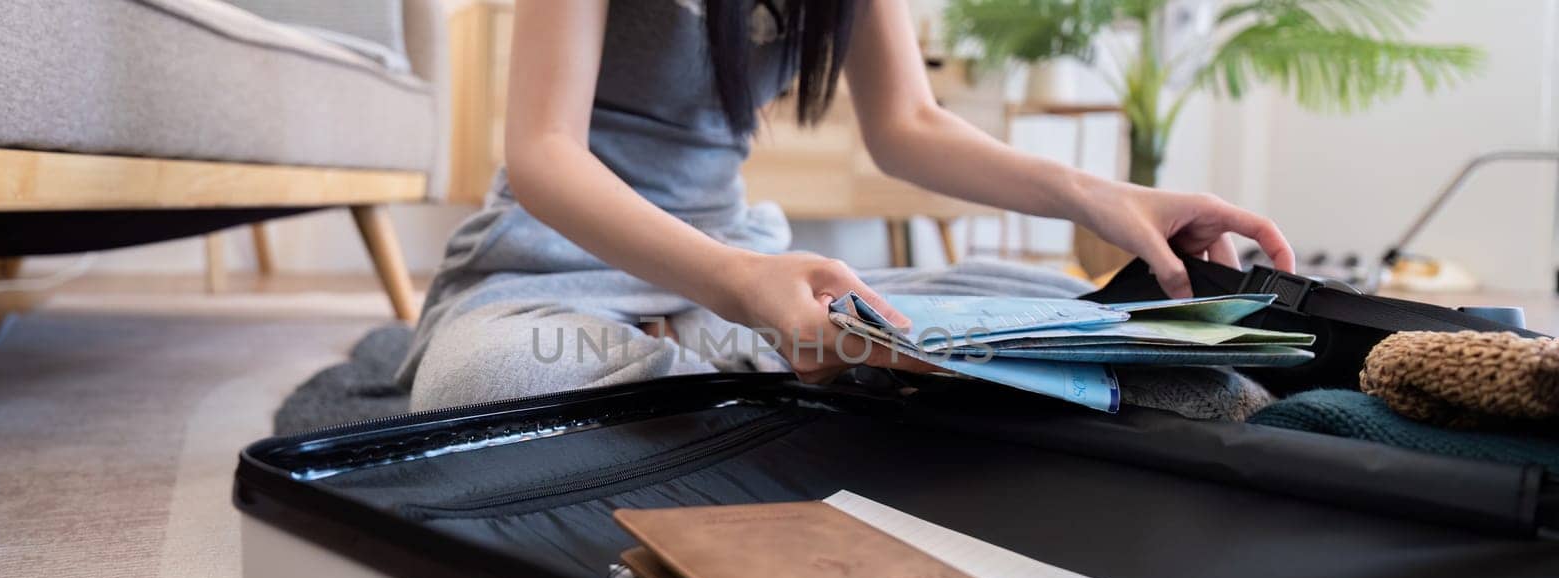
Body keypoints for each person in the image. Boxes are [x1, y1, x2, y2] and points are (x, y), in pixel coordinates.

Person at [399, 0, 1296, 411]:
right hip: (566, 261)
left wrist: (1099, 195)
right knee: (492, 380)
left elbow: (907, 123)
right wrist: (740, 284)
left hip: (735, 259)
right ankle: (789, 377)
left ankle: (744, 369)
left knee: (1066, 313)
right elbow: (544, 153)